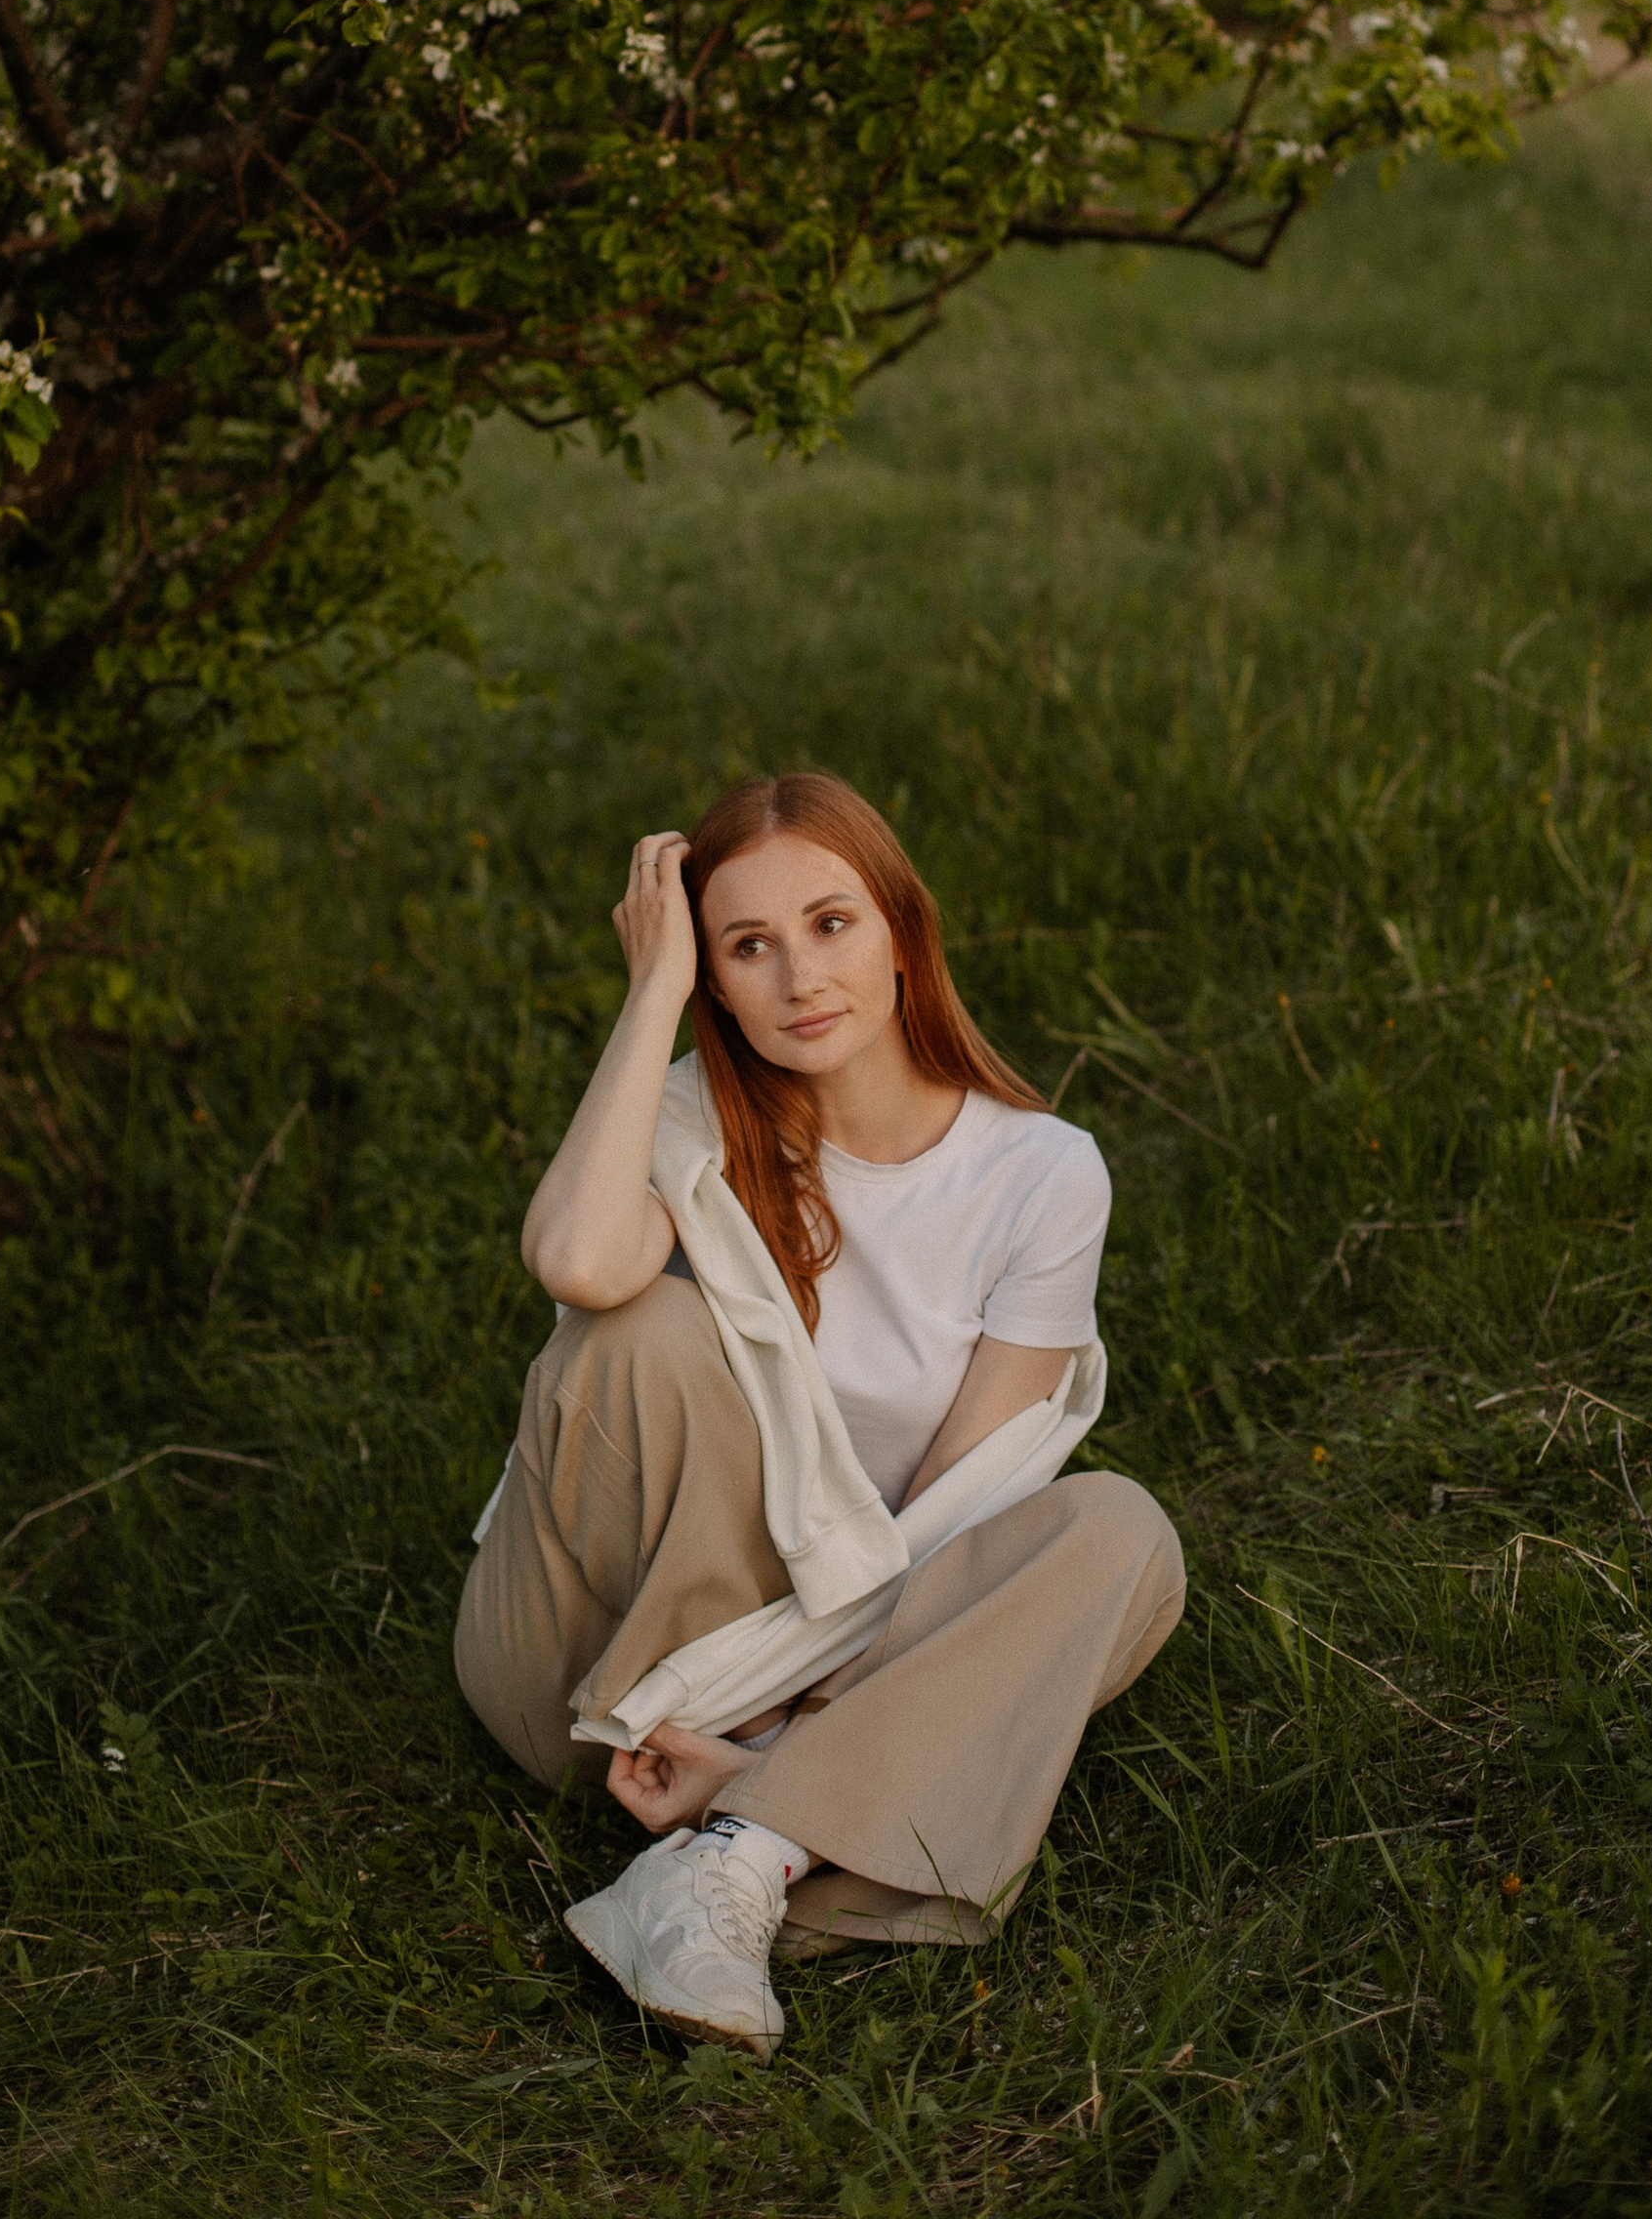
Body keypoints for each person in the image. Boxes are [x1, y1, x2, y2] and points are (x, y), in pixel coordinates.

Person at [455, 770, 1185, 2056]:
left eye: (832, 924)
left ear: (902, 933)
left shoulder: (1040, 1174)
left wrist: (778, 1732)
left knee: (1121, 1538)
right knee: (637, 1328)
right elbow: (574, 1263)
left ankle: (736, 1846)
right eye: (746, 947)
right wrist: (648, 999)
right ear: (715, 982)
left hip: (799, 1669)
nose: (799, 977)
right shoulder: (689, 1122)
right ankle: (842, 1815)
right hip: (584, 1667)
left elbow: (967, 1504)